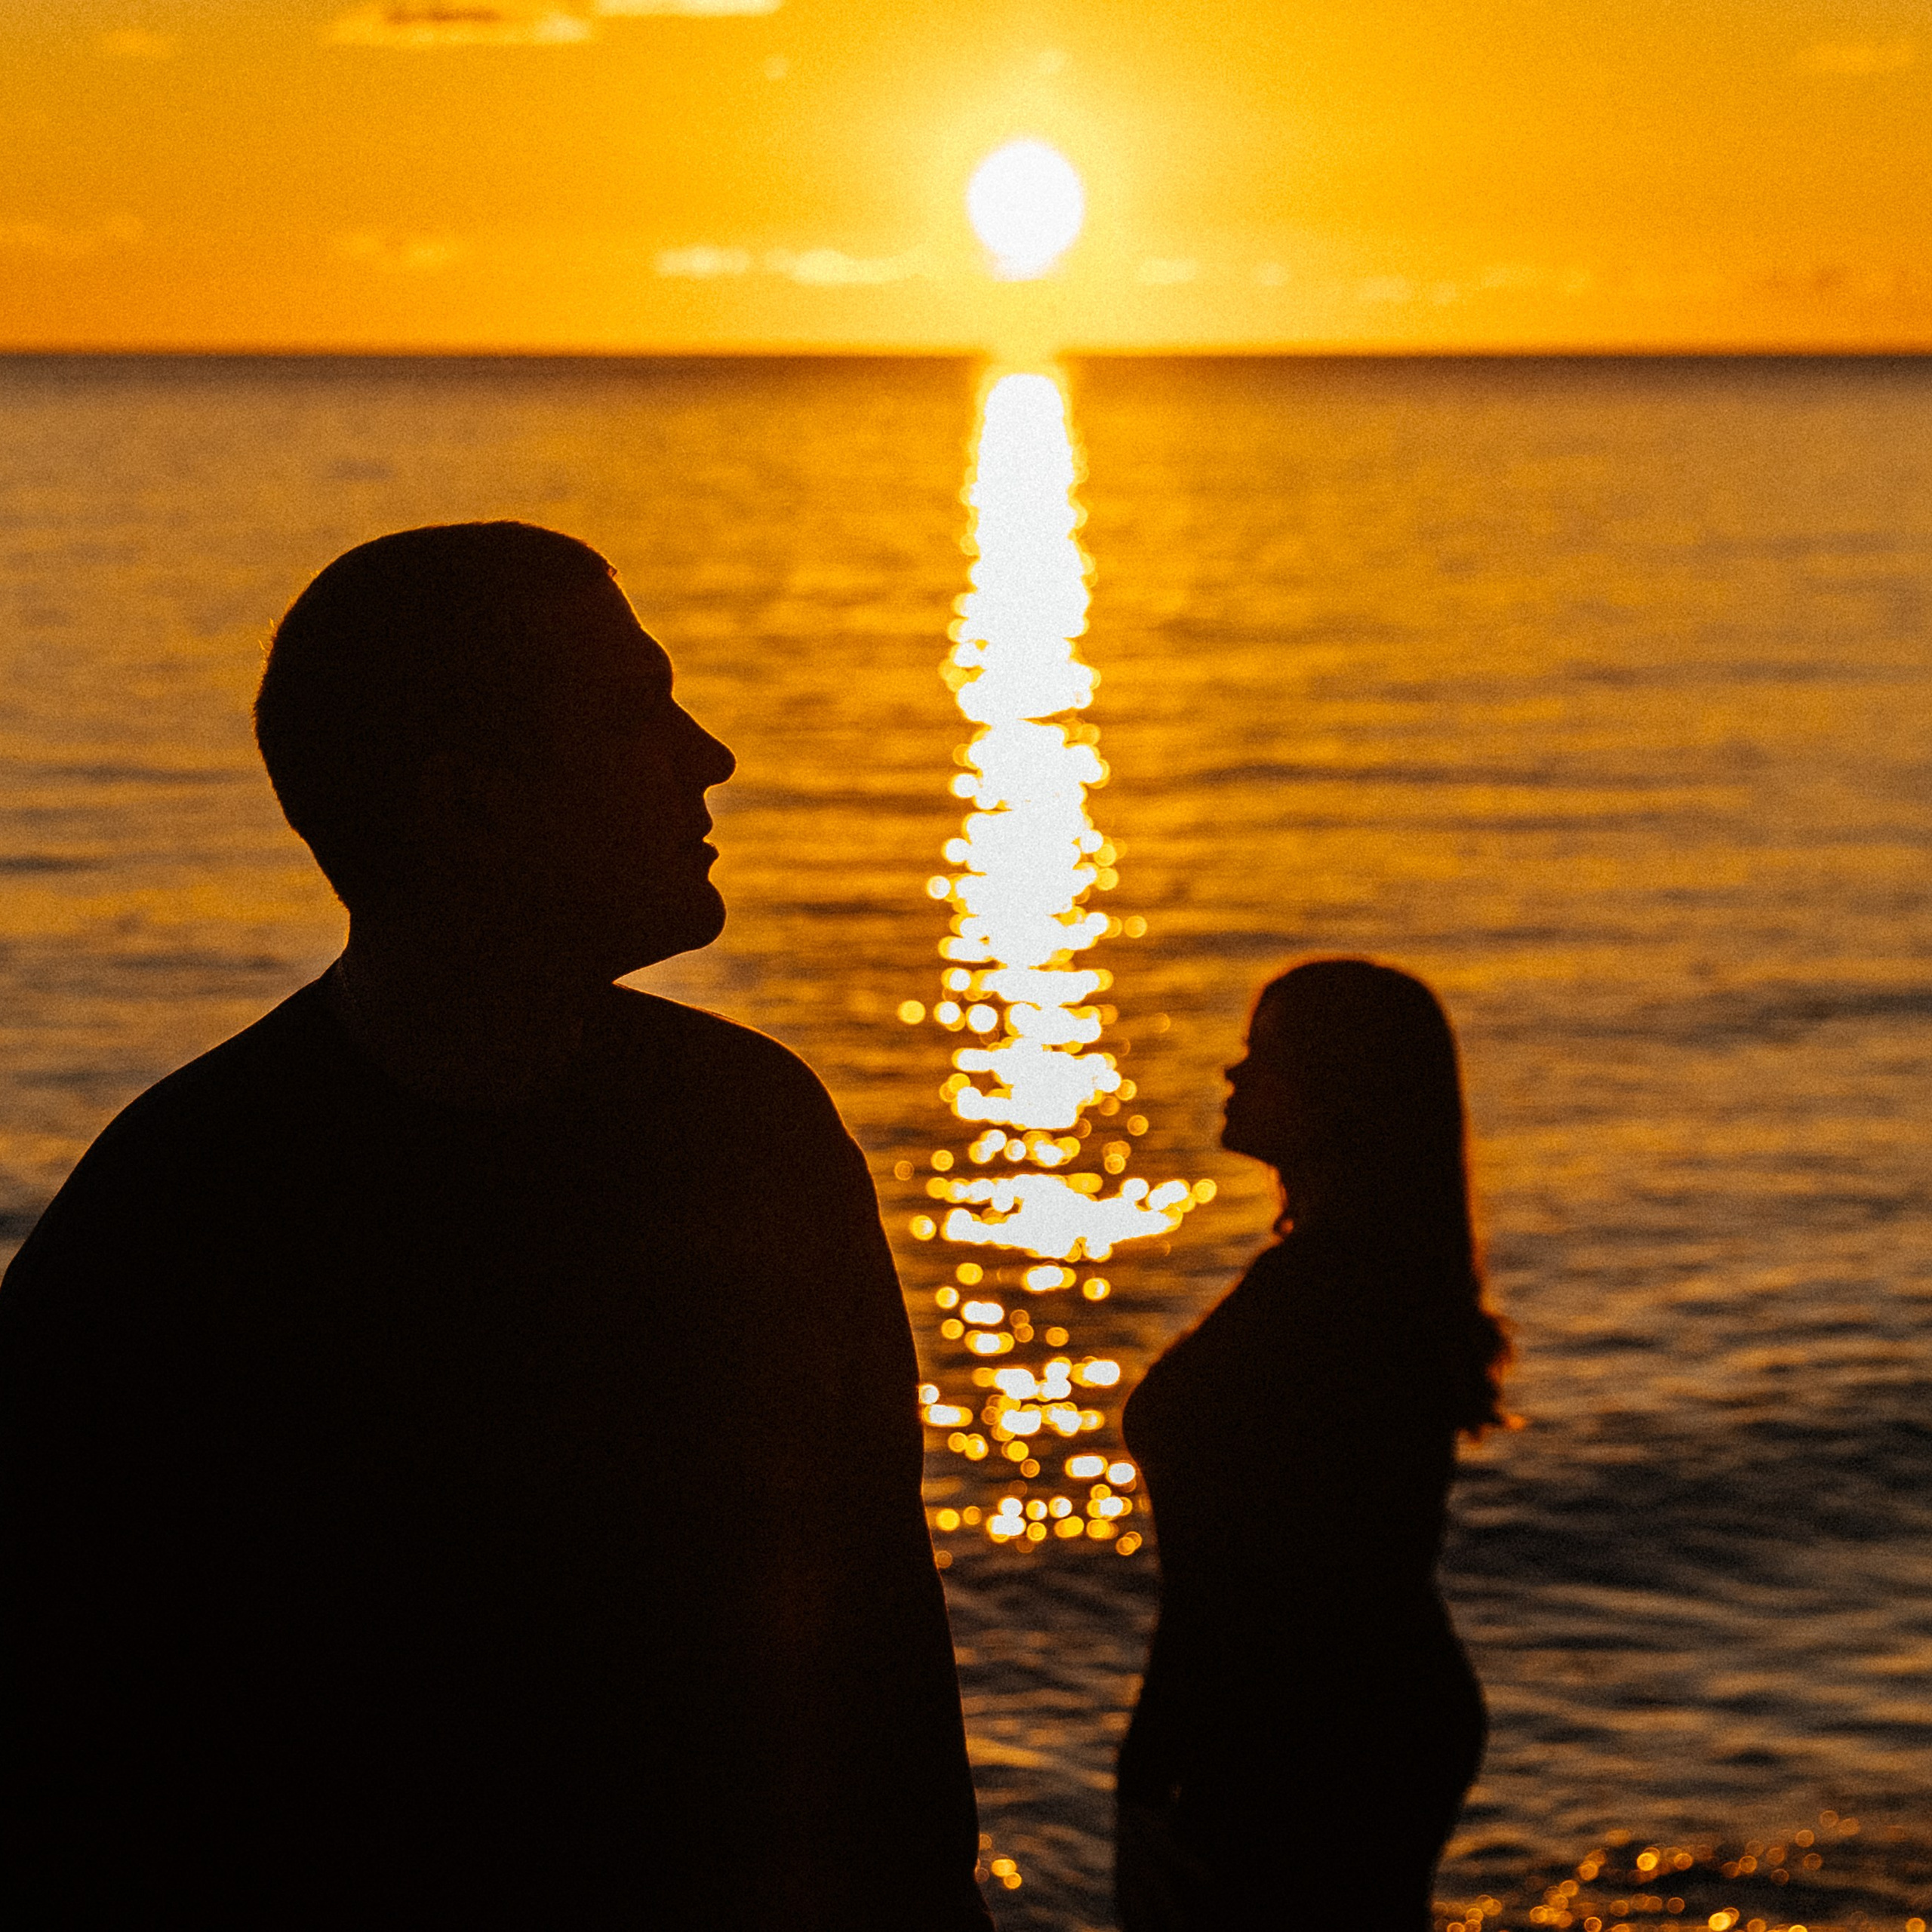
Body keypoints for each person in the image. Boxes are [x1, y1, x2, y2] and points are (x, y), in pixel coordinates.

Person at [0, 522, 993, 1930]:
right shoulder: (177, 1227)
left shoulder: (758, 1128)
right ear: (472, 804)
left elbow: (875, 1637)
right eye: (640, 712)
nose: (707, 755)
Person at [1115, 958, 1509, 1931]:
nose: (1232, 1076)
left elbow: (1246, 1584)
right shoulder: (1360, 1282)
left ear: (1341, 1095)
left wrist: (1148, 1770)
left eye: (1265, 1056)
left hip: (1316, 1740)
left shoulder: (1336, 1301)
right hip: (1349, 1716)